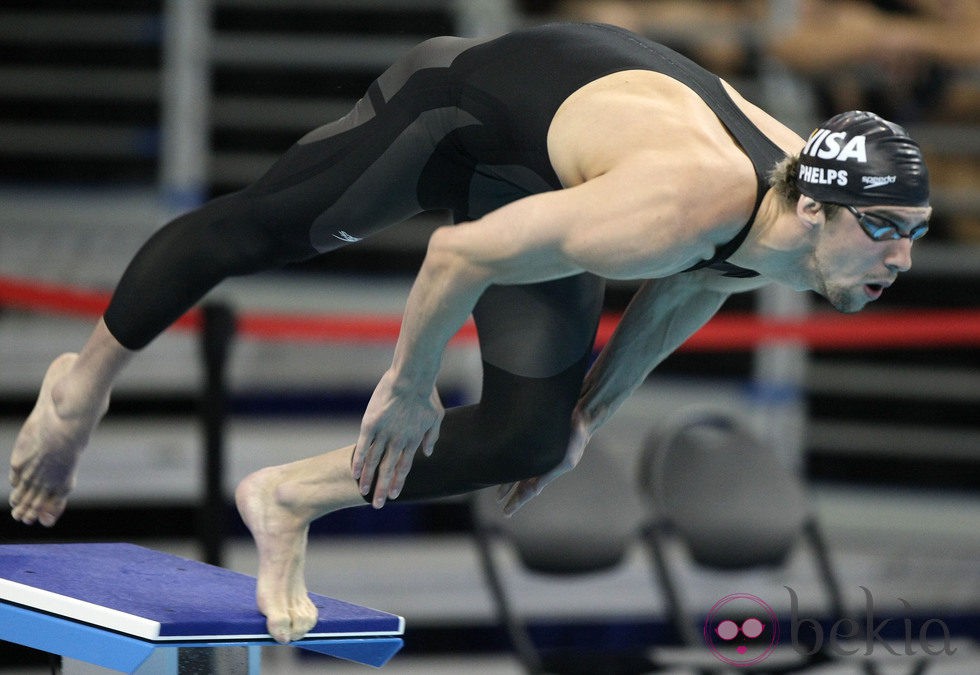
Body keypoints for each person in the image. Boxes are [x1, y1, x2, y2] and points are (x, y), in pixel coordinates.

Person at [8, 22, 930, 644]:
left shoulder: (789, 223)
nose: (902, 260)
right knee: (252, 231)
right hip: (460, 114)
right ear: (816, 209)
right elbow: (461, 253)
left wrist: (587, 417)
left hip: (558, 178)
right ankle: (80, 384)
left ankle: (287, 497)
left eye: (917, 236)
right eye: (887, 231)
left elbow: (707, 280)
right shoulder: (684, 200)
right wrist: (410, 385)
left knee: (535, 432)